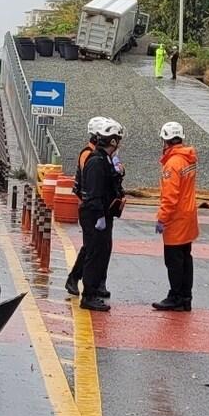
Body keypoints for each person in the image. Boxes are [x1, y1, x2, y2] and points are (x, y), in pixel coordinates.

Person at [76, 118, 122, 311]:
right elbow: (94, 193)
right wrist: (100, 216)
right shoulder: (96, 161)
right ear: (113, 141)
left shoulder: (105, 159)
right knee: (94, 255)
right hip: (94, 215)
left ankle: (93, 291)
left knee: (101, 254)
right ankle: (88, 295)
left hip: (102, 213)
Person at [152, 121, 199, 311]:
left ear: (166, 141)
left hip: (176, 218)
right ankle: (186, 297)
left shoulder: (172, 164)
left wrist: (162, 219)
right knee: (186, 257)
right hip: (188, 215)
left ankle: (176, 297)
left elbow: (170, 197)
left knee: (173, 260)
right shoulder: (188, 158)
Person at [67, 116, 108, 296]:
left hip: (99, 207)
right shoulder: (89, 155)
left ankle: (99, 283)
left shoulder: (100, 155)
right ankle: (74, 277)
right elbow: (90, 181)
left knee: (101, 247)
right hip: (89, 207)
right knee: (90, 247)